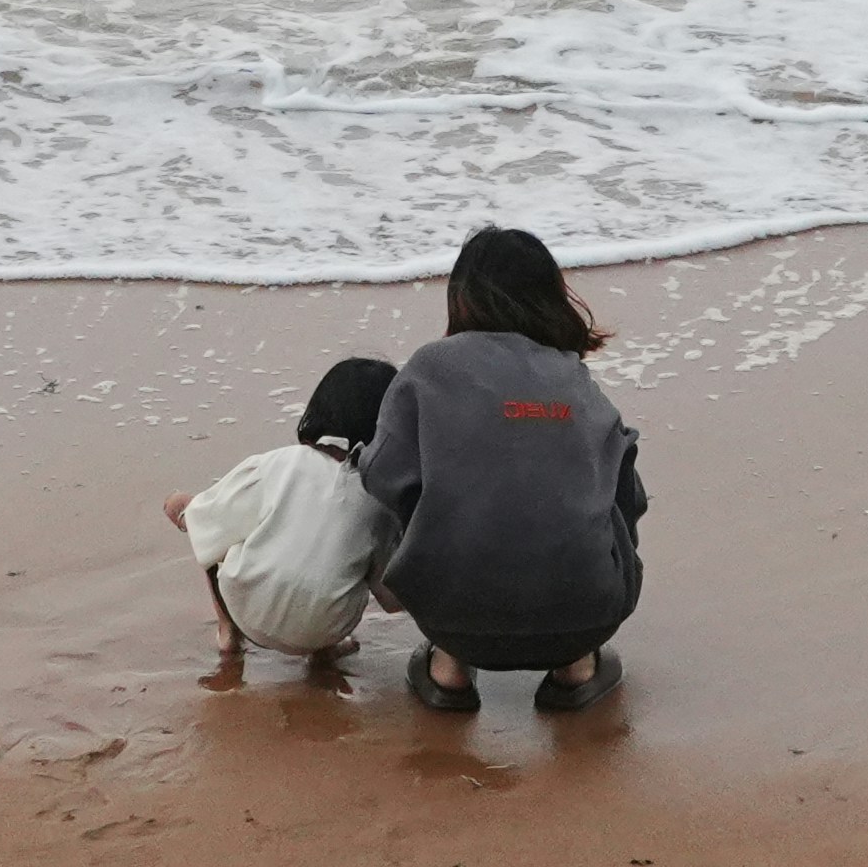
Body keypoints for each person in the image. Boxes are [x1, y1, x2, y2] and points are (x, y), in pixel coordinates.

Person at [359, 226, 644, 715]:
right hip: (585, 613)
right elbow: (630, 498)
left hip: (451, 615)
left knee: (410, 488)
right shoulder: (576, 380)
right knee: (598, 491)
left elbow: (382, 476)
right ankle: (575, 668)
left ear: (461, 297)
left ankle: (448, 670)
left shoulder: (429, 369)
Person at [165, 356, 402, 669]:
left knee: (206, 516)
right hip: (327, 627)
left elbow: (211, 521)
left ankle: (228, 632)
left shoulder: (279, 463)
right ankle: (323, 650)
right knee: (345, 561)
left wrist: (181, 508)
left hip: (245, 608)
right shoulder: (379, 504)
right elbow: (390, 598)